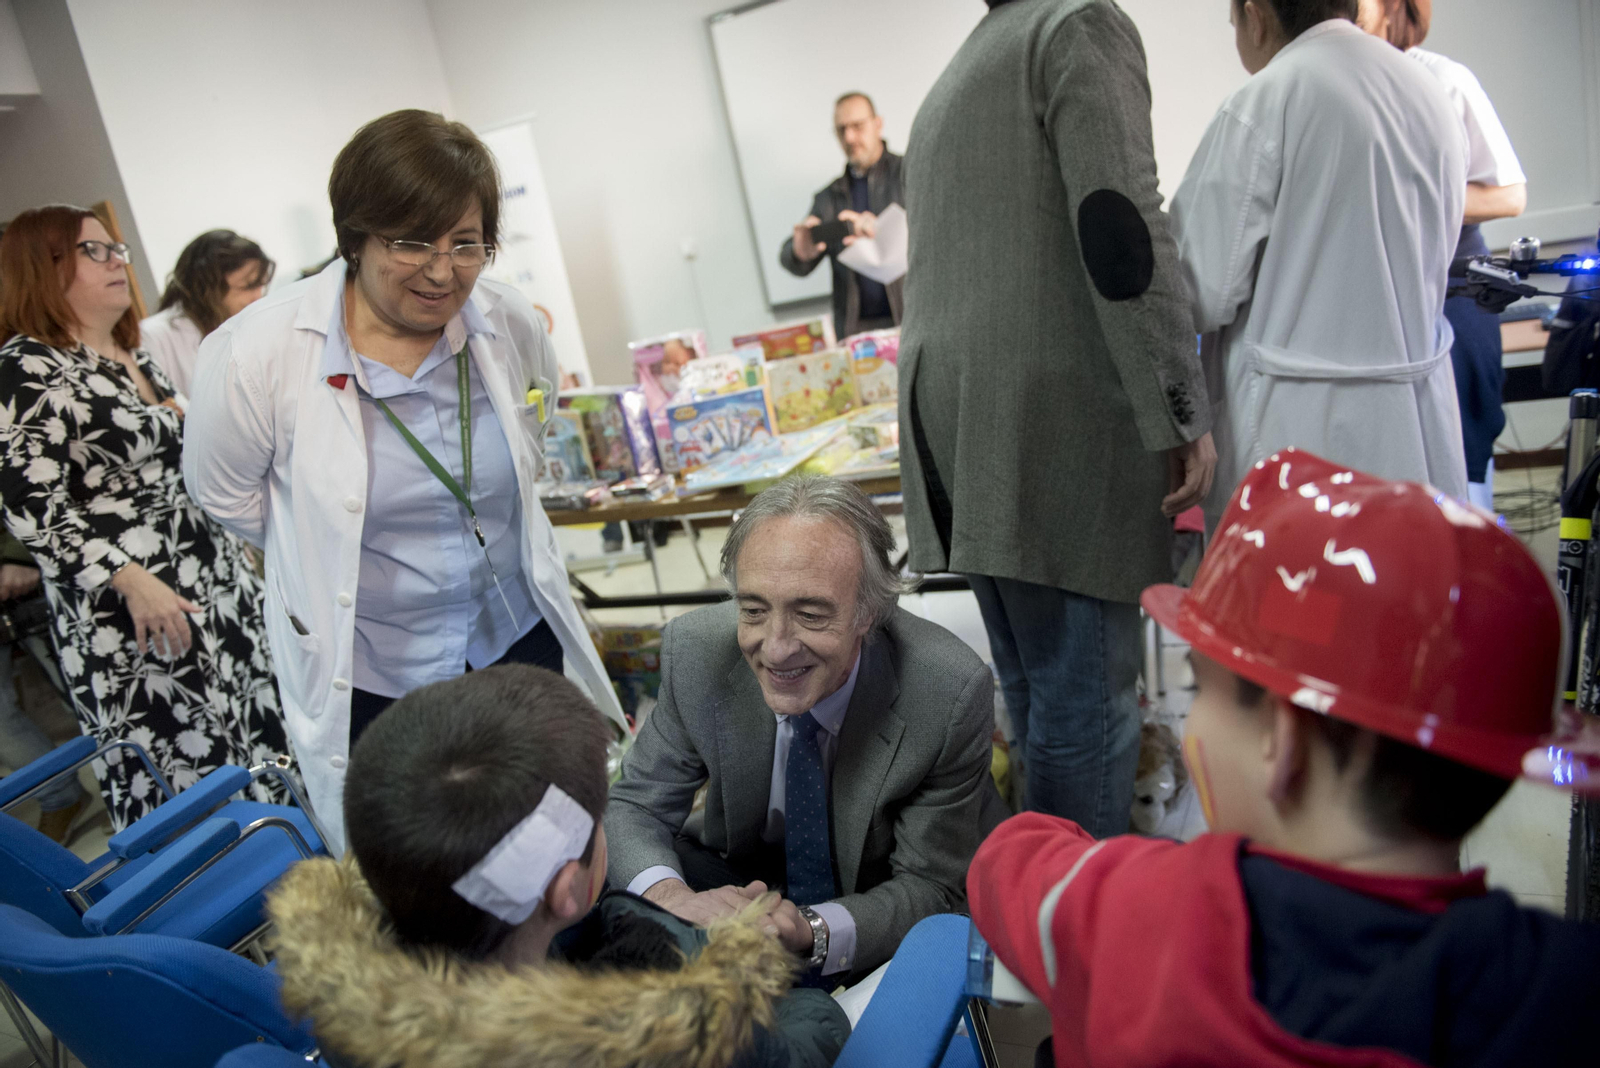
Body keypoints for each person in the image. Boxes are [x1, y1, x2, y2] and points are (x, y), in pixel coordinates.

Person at [968, 450, 1600, 1066]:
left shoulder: (1135, 910)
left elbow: (1004, 861)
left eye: (1198, 691)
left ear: (1281, 740)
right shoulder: (1561, 995)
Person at [183, 110, 628, 855]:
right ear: (355, 237)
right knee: (436, 870)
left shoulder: (507, 322)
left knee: (552, 845)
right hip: (379, 671)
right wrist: (322, 542)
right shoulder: (255, 354)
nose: (441, 269)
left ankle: (566, 960)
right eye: (412, 241)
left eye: (466, 243)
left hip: (515, 639)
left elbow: (535, 423)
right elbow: (226, 495)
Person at [899, 0, 1216, 836]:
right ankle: (1076, 925)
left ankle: (1043, 901)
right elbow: (1121, 226)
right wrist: (1179, 406)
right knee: (1086, 700)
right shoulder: (1077, 25)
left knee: (1038, 694)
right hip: (1044, 419)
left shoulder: (962, 69)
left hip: (966, 419)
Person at [266, 664, 848, 1068]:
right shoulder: (679, 1037)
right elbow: (812, 1038)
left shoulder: (350, 1004)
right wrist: (754, 963)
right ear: (569, 890)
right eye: (599, 822)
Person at [605, 476, 1000, 980]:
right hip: (742, 878)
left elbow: (931, 886)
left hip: (873, 900)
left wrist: (812, 931)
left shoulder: (947, 691)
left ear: (870, 613)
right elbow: (636, 805)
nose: (775, 649)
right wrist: (672, 898)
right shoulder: (696, 651)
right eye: (752, 610)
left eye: (810, 615)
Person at [0, 205, 292, 830]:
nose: (116, 263)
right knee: (187, 762)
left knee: (258, 733)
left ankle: (298, 869)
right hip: (132, 612)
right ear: (41, 267)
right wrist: (130, 578)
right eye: (94, 251)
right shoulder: (27, 367)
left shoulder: (129, 350)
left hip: (211, 581)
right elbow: (33, 511)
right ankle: (227, 908)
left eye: (118, 251)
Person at [1170, 0, 1468, 525]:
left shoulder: (1268, 98)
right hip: (1420, 423)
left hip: (1299, 432)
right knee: (1411, 585)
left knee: (1305, 598)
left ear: (1256, 14)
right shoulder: (1428, 92)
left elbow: (1199, 291)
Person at [1356, 0, 1527, 513]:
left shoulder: (1443, 80)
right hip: (1381, 305)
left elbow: (1508, 195)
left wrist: (1410, 199)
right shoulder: (1336, 86)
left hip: (1451, 291)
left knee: (1460, 480)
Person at [779, 92, 904, 338]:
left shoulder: (908, 173)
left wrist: (881, 232)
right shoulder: (829, 197)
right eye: (841, 130)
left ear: (878, 123)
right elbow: (790, 259)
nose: (849, 137)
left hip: (911, 320)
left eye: (857, 126)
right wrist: (798, 252)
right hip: (856, 332)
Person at [0, 531, 88, 842]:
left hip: (25, 579)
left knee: (84, 696)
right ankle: (61, 797)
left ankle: (134, 789)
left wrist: (17, 553)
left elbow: (22, 487)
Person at [139, 229, 275, 397]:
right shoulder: (155, 335)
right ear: (208, 288)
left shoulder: (251, 327)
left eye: (261, 285)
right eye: (248, 286)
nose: (258, 297)